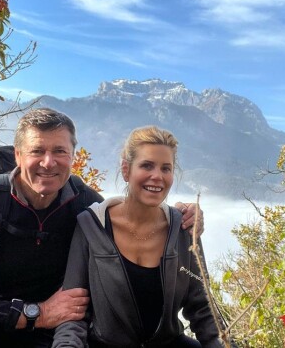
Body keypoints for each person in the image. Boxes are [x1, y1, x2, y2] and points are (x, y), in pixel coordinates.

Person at [0, 108, 202, 348]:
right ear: (18, 155)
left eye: (59, 151)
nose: (48, 162)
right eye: (37, 151)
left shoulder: (85, 204)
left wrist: (180, 215)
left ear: (72, 156)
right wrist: (37, 313)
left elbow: (130, 221)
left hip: (61, 327)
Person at [52, 125, 223, 348]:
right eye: (147, 165)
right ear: (126, 169)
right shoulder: (91, 227)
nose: (157, 176)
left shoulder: (183, 229)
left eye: (166, 168)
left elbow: (203, 308)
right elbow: (72, 314)